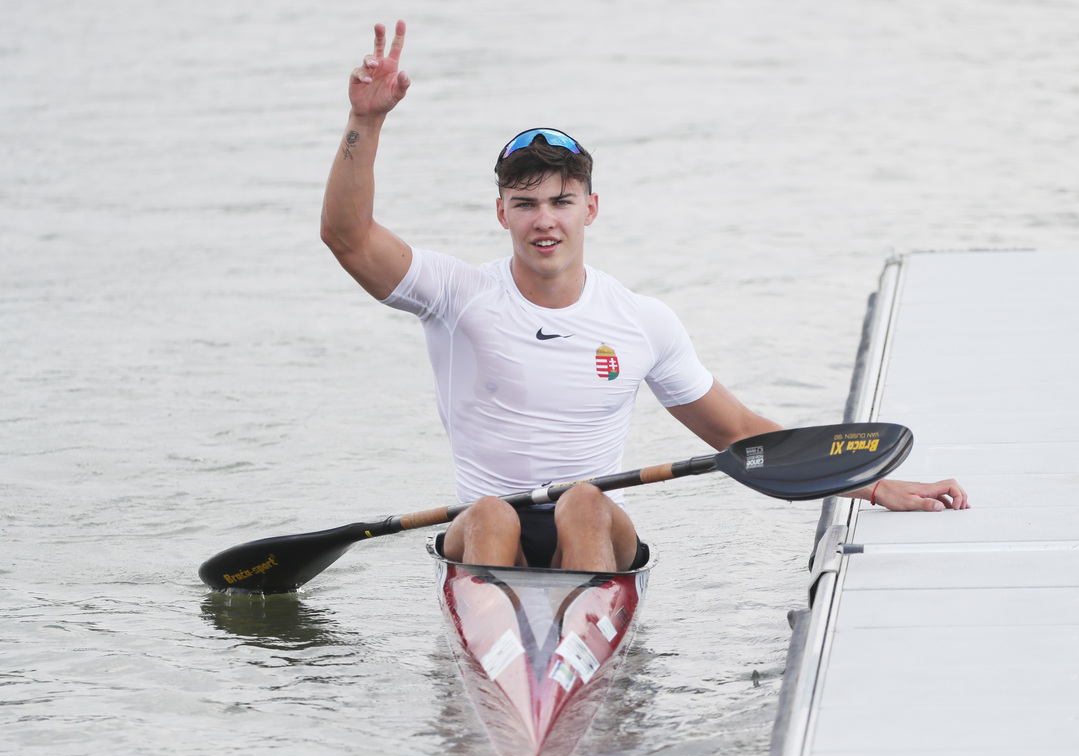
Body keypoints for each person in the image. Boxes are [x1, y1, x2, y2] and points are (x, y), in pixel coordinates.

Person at [320, 20, 969, 573]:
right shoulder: (456, 294)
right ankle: (507, 660)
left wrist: (877, 487)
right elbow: (348, 239)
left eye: (560, 201)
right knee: (491, 512)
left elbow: (743, 434)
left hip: (597, 534)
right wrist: (365, 120)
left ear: (590, 209)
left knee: (585, 500)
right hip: (489, 541)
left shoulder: (640, 322)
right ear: (502, 214)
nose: (544, 219)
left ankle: (578, 655)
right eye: (525, 204)